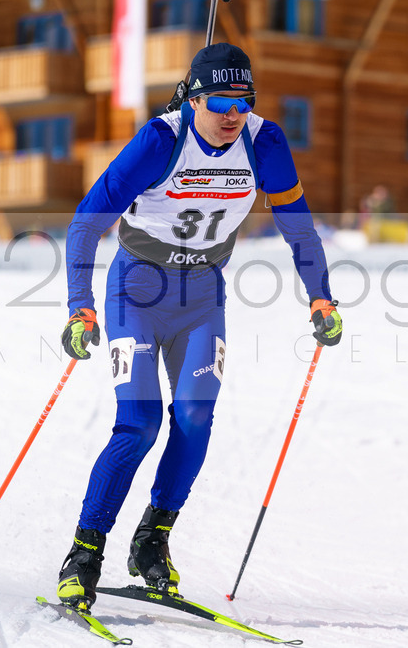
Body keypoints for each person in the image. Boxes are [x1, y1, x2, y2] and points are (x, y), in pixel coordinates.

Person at [55, 43, 343, 612]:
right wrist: (78, 306)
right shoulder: (160, 140)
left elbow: (300, 230)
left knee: (194, 413)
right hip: (136, 289)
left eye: (244, 100)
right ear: (193, 97)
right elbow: (86, 222)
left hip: (202, 295)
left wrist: (321, 299)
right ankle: (84, 552)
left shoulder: (266, 143)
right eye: (220, 101)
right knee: (136, 424)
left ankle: (152, 542)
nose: (233, 113)